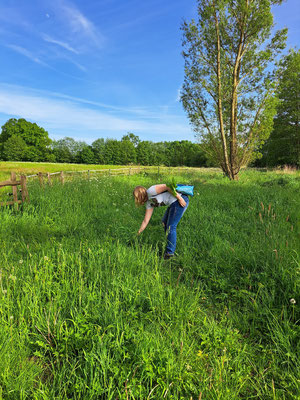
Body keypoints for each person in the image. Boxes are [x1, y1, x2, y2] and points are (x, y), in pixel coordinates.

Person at [133, 184, 189, 259]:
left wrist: (180, 198)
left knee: (171, 227)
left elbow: (168, 186)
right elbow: (145, 221)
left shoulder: (151, 191)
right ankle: (169, 245)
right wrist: (138, 233)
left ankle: (169, 253)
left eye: (136, 197)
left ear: (139, 195)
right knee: (165, 223)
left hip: (179, 200)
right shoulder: (149, 203)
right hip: (173, 203)